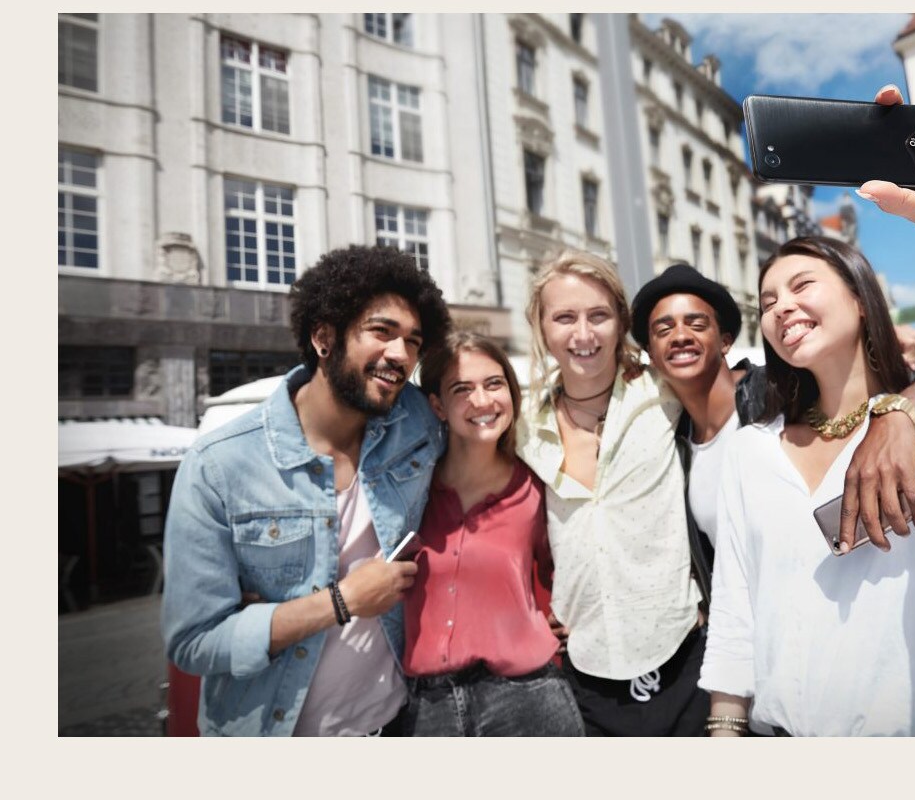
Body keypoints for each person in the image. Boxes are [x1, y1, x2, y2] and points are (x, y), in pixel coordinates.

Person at [700, 91, 915, 737]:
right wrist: (724, 726)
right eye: (767, 300)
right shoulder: (751, 450)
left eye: (802, 286)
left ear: (861, 301)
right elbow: (736, 601)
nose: (780, 308)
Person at [161, 244, 450, 736]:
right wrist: (340, 601)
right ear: (323, 337)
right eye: (381, 331)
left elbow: (499, 428)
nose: (400, 355)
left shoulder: (418, 422)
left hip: (395, 722)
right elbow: (194, 641)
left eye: (413, 341)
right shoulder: (220, 465)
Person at [629, 260, 915, 600]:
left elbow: (888, 378)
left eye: (696, 323)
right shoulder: (674, 441)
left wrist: (898, 406)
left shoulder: (780, 392)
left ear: (726, 341)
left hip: (847, 602)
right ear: (651, 356)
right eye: (663, 330)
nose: (680, 336)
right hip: (753, 634)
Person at [517, 251, 709, 736]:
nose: (583, 335)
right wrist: (534, 604)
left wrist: (894, 407)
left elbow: (752, 390)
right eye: (564, 317)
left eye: (598, 315)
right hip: (585, 665)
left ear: (621, 321)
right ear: (541, 327)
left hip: (683, 650)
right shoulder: (521, 424)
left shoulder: (663, 391)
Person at [401, 331, 585, 736]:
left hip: (528, 701)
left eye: (494, 384)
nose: (482, 401)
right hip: (426, 711)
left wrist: (571, 615)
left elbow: (573, 563)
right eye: (462, 389)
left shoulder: (537, 486)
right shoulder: (409, 490)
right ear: (438, 406)